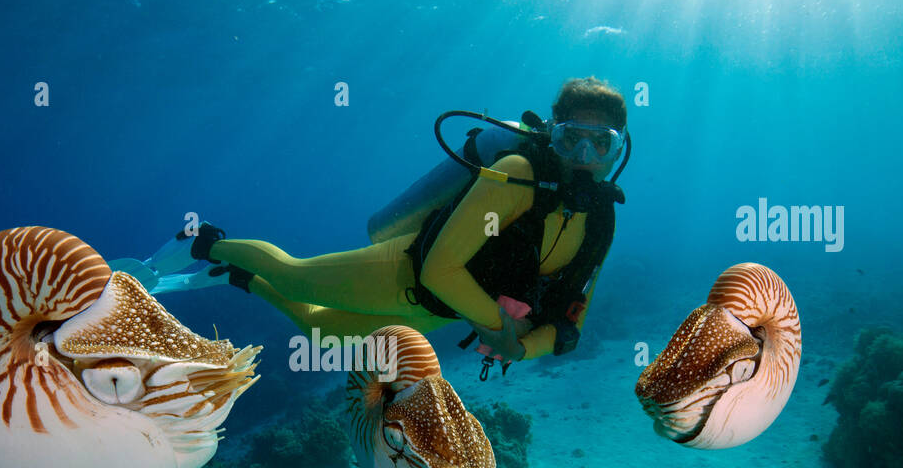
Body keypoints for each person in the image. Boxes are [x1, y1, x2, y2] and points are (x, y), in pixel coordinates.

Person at [138, 77, 629, 373]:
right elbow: (441, 269)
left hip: (441, 313)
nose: (584, 157)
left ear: (617, 148)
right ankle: (205, 243)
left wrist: (517, 350)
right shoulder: (518, 176)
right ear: (552, 135)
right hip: (406, 272)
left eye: (600, 144)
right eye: (571, 140)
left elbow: (571, 321)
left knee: (322, 333)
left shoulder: (602, 219)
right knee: (293, 274)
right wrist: (499, 328)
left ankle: (239, 278)